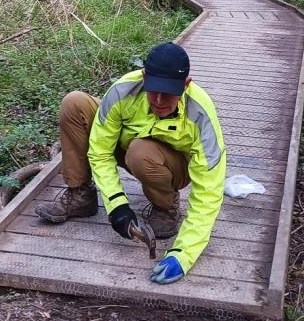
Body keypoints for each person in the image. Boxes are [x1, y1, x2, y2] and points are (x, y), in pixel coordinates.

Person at [34, 42, 227, 285]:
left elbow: (209, 191)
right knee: (75, 104)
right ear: (144, 76)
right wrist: (116, 204)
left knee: (140, 152)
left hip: (171, 166)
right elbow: (101, 150)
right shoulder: (123, 91)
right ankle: (80, 195)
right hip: (124, 147)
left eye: (168, 93)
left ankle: (165, 206)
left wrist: (184, 254)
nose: (158, 100)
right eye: (153, 89)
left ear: (186, 84)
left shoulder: (201, 114)